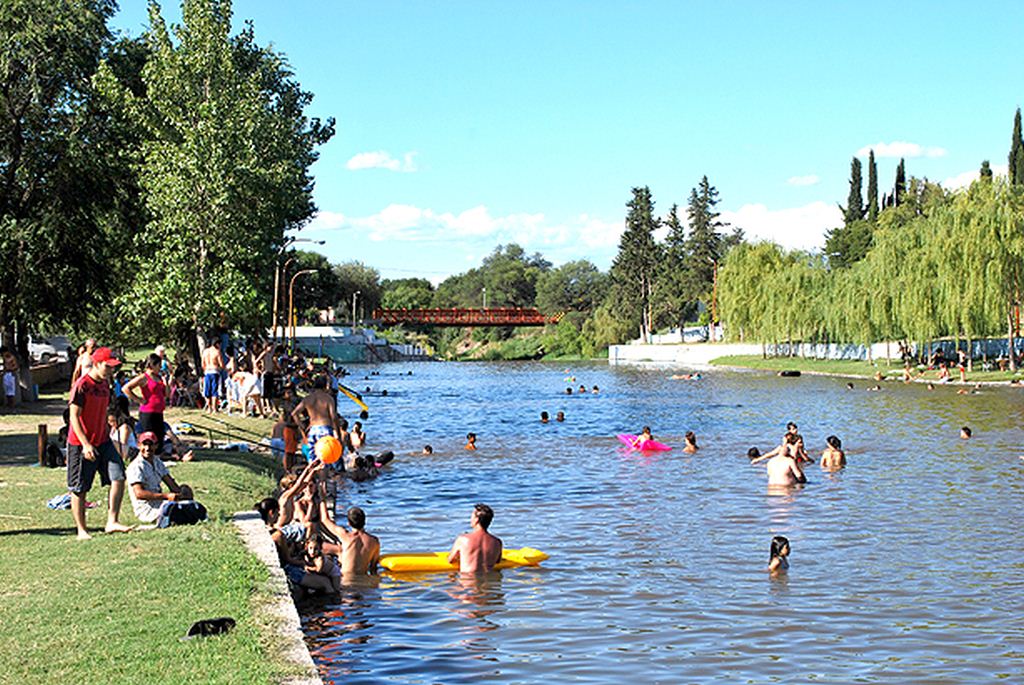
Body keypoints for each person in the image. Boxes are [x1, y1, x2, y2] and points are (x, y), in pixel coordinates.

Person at [67, 347, 131, 539]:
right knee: (80, 488)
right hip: (81, 443)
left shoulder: (105, 385)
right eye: (107, 366)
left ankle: (112, 521)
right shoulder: (82, 385)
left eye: (113, 367)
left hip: (103, 440)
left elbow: (104, 412)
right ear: (96, 364)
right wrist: (86, 444)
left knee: (118, 476)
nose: (111, 370)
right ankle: (82, 530)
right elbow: (74, 417)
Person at [126, 431, 204, 527]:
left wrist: (183, 493)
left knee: (190, 505)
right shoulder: (136, 466)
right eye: (144, 445)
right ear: (138, 445)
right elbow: (139, 494)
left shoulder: (157, 461)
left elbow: (170, 483)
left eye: (151, 445)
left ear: (156, 446)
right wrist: (166, 496)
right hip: (147, 509)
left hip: (161, 503)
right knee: (177, 511)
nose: (147, 448)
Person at [318, 492, 380, 578]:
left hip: (345, 580)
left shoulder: (345, 535)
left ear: (349, 523)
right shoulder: (374, 541)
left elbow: (325, 519)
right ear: (365, 521)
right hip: (363, 581)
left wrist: (322, 499)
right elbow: (373, 568)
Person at [291, 375, 341, 464]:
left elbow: (294, 413)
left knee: (313, 458)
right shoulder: (328, 399)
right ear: (325, 386)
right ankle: (323, 477)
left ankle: (314, 476)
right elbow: (334, 417)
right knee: (325, 458)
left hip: (313, 430)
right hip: (325, 429)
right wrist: (337, 433)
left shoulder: (308, 398)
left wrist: (302, 426)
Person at [123, 353, 168, 451]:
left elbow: (166, 394)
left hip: (159, 411)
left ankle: (158, 456)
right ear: (152, 365)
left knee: (159, 436)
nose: (160, 368)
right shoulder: (144, 377)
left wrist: (166, 382)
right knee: (148, 436)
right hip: (148, 411)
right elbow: (126, 388)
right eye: (158, 366)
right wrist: (138, 399)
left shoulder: (159, 377)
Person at [447, 503, 502, 574]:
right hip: (488, 582)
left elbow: (450, 560)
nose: (470, 519)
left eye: (471, 517)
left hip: (468, 581)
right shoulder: (497, 542)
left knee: (451, 578)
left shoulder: (463, 539)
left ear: (476, 520)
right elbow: (498, 561)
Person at [201, 339, 224, 413]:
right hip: (215, 371)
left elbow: (203, 364)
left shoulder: (205, 351)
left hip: (207, 371)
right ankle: (214, 408)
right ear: (217, 344)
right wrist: (221, 368)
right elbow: (221, 364)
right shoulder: (217, 352)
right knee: (214, 390)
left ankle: (209, 408)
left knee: (207, 390)